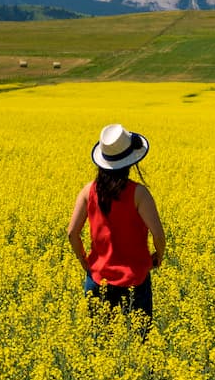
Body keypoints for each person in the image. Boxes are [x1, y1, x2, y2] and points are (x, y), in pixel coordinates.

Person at [67, 123, 166, 327]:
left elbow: (72, 234)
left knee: (100, 345)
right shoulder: (139, 194)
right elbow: (158, 234)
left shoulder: (88, 191)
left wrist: (84, 261)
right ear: (131, 161)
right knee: (140, 342)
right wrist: (158, 255)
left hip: (97, 279)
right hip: (134, 281)